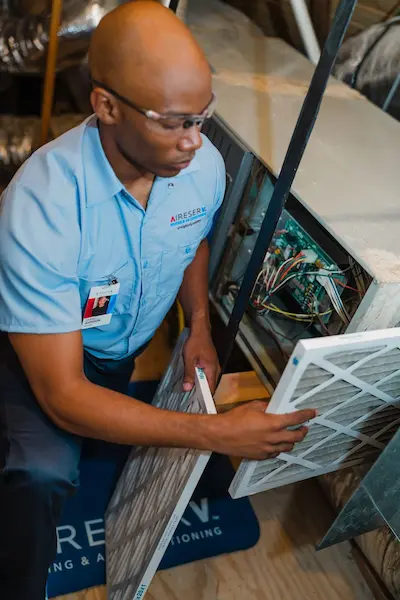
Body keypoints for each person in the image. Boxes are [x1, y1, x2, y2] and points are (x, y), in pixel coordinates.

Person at [0, 2, 315, 599]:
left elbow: (190, 237)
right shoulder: (40, 209)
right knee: (41, 472)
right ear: (107, 107)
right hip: (42, 357)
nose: (195, 141)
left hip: (120, 351)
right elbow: (64, 395)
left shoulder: (201, 167)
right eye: (174, 122)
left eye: (203, 117)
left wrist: (197, 323)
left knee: (103, 430)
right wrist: (217, 434)